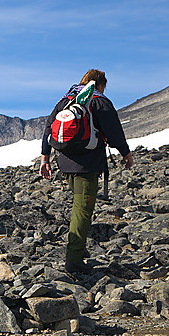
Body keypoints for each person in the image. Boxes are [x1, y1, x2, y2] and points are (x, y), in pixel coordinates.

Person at [39, 69, 133, 273]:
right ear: (100, 84)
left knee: (79, 206)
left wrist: (45, 158)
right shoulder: (99, 101)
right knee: (82, 210)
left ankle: (77, 252)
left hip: (64, 163)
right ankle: (73, 260)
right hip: (87, 165)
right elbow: (114, 131)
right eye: (104, 86)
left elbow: (49, 128)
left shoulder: (66, 100)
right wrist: (126, 154)